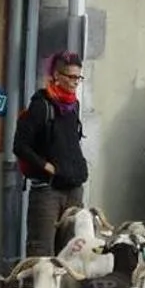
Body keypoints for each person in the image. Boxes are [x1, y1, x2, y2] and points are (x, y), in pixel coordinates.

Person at [14, 52, 88, 258]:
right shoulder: (41, 105)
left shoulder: (74, 105)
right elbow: (20, 146)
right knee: (42, 253)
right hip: (48, 190)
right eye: (71, 77)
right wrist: (46, 166)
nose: (75, 83)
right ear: (56, 75)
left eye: (79, 77)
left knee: (72, 251)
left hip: (73, 186)